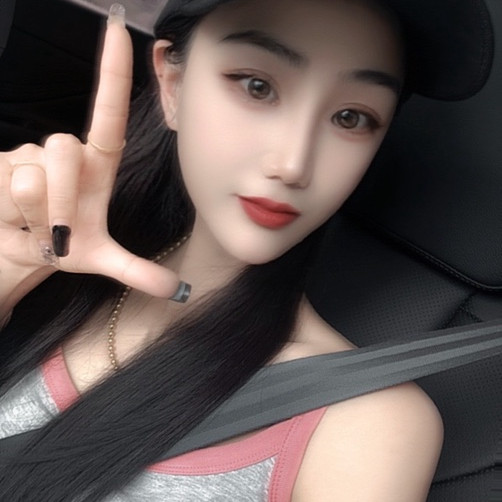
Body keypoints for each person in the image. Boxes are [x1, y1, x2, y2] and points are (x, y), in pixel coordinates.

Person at [0, 0, 493, 499]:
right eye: (258, 86)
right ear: (173, 84)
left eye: (351, 117)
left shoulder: (364, 425)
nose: (293, 164)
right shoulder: (46, 268)